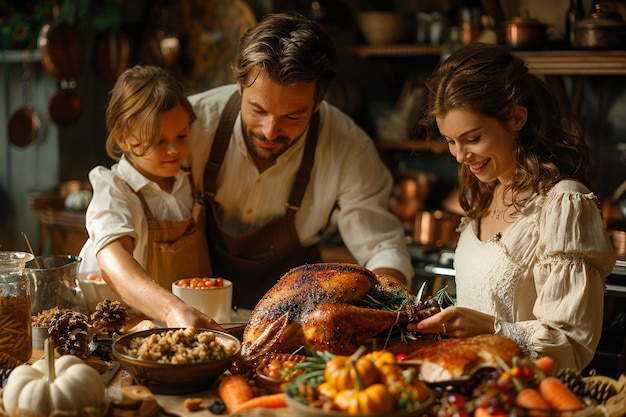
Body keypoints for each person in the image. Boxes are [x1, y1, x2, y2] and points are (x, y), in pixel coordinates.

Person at [407, 42, 616, 371]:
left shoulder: (563, 204)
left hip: (523, 396)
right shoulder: (484, 193)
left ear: (516, 118)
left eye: (472, 138)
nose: (460, 156)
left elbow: (572, 342)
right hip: (464, 391)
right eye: (450, 141)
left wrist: (491, 329)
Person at [185, 12, 414, 309]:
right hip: (192, 316)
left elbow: (382, 246)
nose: (270, 131)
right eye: (258, 110)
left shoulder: (349, 148)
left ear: (318, 103)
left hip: (296, 324)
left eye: (292, 116)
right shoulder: (191, 126)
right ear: (240, 86)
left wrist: (385, 306)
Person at [79, 65, 220, 330]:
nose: (174, 150)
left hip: (188, 325)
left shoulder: (190, 179)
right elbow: (113, 257)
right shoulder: (114, 190)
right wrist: (173, 308)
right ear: (121, 139)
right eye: (158, 141)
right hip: (127, 329)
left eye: (182, 136)